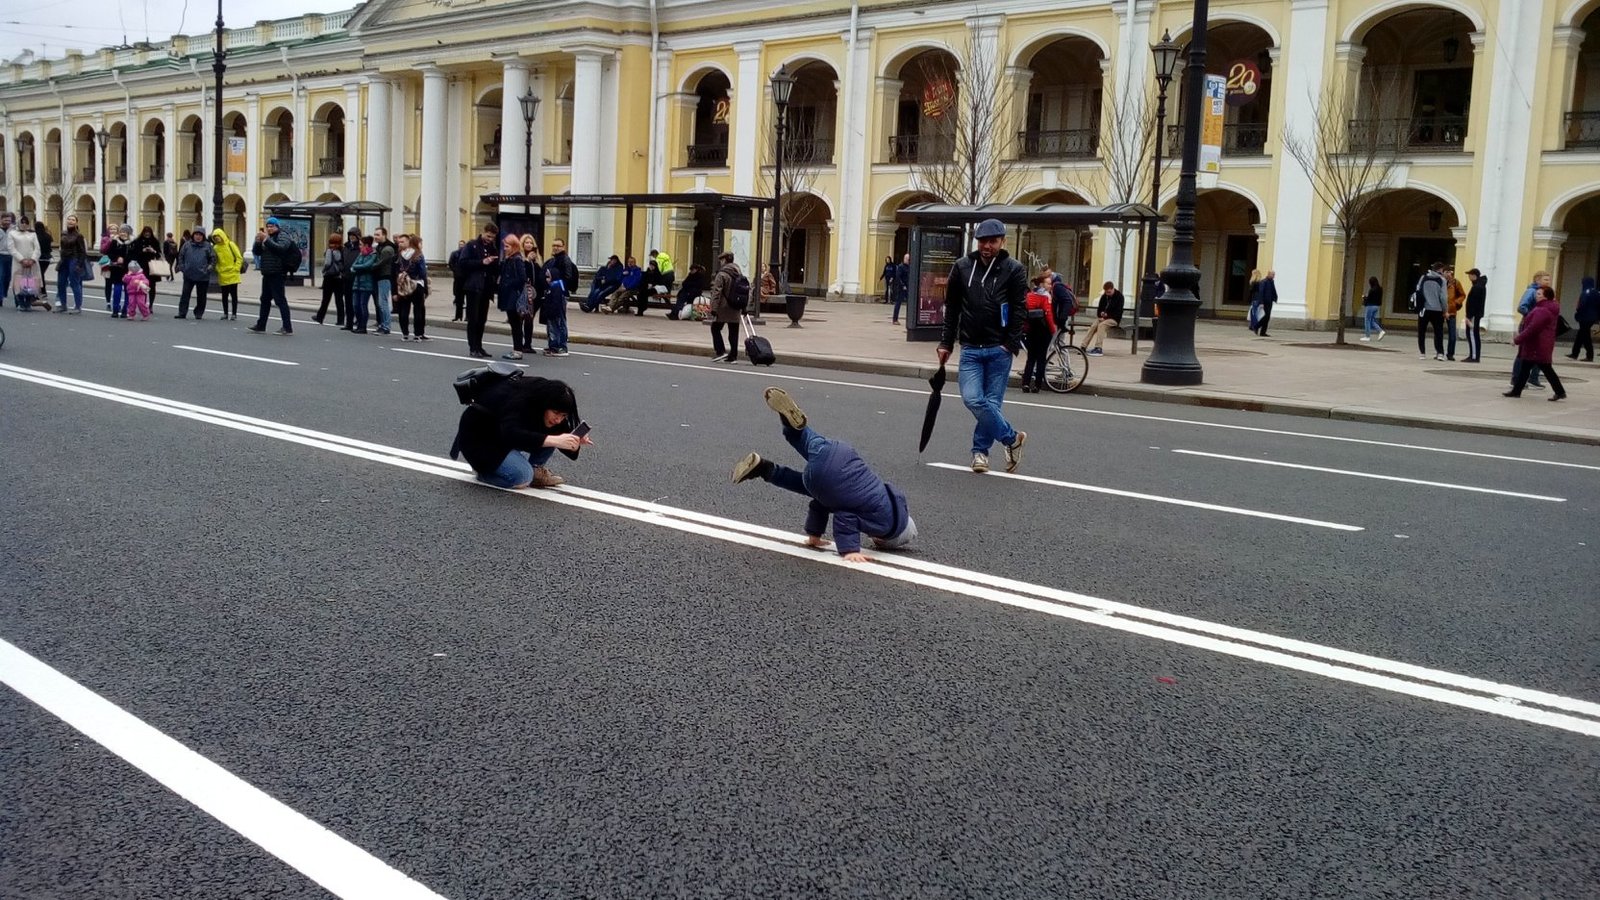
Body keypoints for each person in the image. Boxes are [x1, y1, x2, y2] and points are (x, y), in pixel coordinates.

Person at [732, 387, 916, 562]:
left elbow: (823, 506)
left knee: (806, 439)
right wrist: (849, 550)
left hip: (842, 454)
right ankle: (764, 469)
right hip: (824, 483)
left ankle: (790, 421)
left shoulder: (891, 498)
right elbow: (845, 519)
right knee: (817, 490)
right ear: (885, 539)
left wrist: (815, 535)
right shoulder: (884, 526)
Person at [937, 217, 1027, 474]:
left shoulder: (1014, 269)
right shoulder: (963, 267)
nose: (987, 246)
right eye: (983, 241)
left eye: (993, 241)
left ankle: (980, 454)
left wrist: (1009, 344)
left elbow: (1019, 309)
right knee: (974, 399)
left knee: (991, 403)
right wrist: (946, 342)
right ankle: (1011, 439)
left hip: (999, 348)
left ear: (1002, 241)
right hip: (971, 348)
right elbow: (952, 307)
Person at [450, 375, 590, 489]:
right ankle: (484, 473)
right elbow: (511, 434)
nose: (559, 419)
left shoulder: (545, 401)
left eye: (564, 416)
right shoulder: (520, 400)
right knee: (522, 478)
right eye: (556, 413)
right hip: (479, 437)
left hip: (501, 433)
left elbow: (565, 443)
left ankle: (536, 470)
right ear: (545, 405)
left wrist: (575, 441)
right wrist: (554, 440)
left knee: (553, 432)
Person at [1504, 285, 1567, 401]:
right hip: (1541, 344)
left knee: (1545, 369)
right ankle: (1517, 391)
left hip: (1537, 345)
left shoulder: (1542, 310)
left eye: (1539, 294)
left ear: (1546, 297)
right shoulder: (1548, 308)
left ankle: (1560, 391)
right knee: (1527, 368)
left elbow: (1532, 328)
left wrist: (1517, 340)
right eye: (1536, 294)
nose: (1536, 296)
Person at [247, 217, 296, 335]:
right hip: (267, 273)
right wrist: (258, 242)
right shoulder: (267, 238)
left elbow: (281, 249)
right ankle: (261, 325)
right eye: (268, 226)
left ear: (277, 227)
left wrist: (266, 240)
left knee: (280, 300)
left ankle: (287, 327)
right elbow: (257, 252)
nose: (269, 228)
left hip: (278, 273)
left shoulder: (283, 236)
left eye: (272, 226)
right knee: (264, 300)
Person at [498, 234, 540, 359]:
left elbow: (521, 278)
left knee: (516, 324)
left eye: (507, 246)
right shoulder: (509, 259)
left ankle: (518, 350)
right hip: (509, 296)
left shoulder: (516, 259)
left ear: (514, 246)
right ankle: (517, 349)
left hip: (514, 297)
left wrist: (507, 284)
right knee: (514, 324)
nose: (505, 248)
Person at [462, 225, 501, 358]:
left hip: (486, 287)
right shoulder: (471, 245)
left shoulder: (493, 248)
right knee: (473, 318)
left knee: (482, 319)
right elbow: (463, 263)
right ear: (483, 232)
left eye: (493, 237)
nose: (490, 239)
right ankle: (473, 347)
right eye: (488, 236)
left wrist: (495, 264)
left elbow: (495, 268)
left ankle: (479, 346)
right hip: (473, 286)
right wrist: (482, 262)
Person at [1511, 271, 1551, 389]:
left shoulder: (1544, 293)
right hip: (1528, 325)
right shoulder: (1531, 291)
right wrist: (1532, 317)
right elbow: (1521, 307)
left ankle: (1533, 378)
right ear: (1537, 280)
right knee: (1523, 353)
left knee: (1539, 352)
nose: (1548, 282)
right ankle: (1516, 379)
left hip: (1538, 327)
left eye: (1548, 280)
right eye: (1545, 280)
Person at [1018, 274, 1058, 393]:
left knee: (1030, 358)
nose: (1050, 286)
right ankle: (1037, 385)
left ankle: (1025, 383)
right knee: (1041, 359)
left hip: (1031, 330)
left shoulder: (1029, 296)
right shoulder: (1045, 297)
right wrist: (1053, 329)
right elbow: (1048, 315)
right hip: (1043, 331)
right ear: (1041, 284)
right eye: (1048, 283)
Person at [707, 251, 745, 363]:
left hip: (723, 307)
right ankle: (733, 355)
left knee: (715, 328)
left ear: (724, 260)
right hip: (736, 306)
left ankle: (720, 351)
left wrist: (713, 308)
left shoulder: (722, 274)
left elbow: (716, 292)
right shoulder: (739, 272)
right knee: (734, 332)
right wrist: (744, 307)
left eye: (721, 260)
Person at [543, 238, 577, 355]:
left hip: (560, 293)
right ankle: (553, 344)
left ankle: (561, 346)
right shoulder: (553, 260)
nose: (555, 247)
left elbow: (568, 277)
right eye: (554, 245)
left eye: (558, 245)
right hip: (553, 292)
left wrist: (557, 284)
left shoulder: (564, 260)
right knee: (552, 319)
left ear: (563, 247)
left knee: (559, 319)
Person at [174, 228, 216, 319]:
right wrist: (182, 267)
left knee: (201, 296)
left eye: (200, 235)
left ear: (203, 236)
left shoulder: (208, 246)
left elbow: (213, 259)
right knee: (185, 295)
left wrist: (208, 269)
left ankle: (199, 313)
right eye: (196, 234)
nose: (198, 237)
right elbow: (181, 256)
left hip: (203, 276)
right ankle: (182, 312)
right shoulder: (187, 245)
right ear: (193, 235)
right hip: (188, 274)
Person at [7, 217, 48, 310]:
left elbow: (37, 249)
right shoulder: (12, 234)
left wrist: (33, 259)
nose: (24, 224)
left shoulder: (32, 234)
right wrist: (22, 259)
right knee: (19, 282)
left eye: (26, 222)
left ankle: (28, 302)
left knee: (30, 282)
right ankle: (20, 302)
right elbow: (11, 248)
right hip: (19, 263)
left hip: (32, 263)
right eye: (22, 222)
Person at [54, 215, 88, 314]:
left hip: (74, 260)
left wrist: (79, 265)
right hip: (64, 260)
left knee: (74, 283)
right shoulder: (63, 233)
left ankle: (78, 306)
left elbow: (82, 252)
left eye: (73, 220)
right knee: (60, 283)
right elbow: (62, 248)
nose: (70, 221)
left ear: (76, 223)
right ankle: (63, 305)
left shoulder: (79, 235)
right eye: (69, 219)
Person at [208, 228, 244, 321]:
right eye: (215, 237)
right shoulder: (215, 248)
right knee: (224, 295)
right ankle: (225, 313)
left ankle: (234, 313)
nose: (217, 239)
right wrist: (218, 269)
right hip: (223, 274)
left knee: (234, 295)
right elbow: (215, 261)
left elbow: (239, 257)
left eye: (218, 237)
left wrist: (236, 268)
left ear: (222, 235)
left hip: (233, 273)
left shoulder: (230, 244)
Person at [1082, 281, 1125, 356]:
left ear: (1112, 289)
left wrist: (1107, 316)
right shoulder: (1104, 296)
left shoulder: (1119, 297)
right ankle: (1083, 346)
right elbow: (1099, 309)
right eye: (1106, 292)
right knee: (1094, 326)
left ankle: (1098, 348)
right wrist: (1100, 314)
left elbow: (1118, 312)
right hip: (1103, 318)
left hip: (1114, 319)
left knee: (1101, 325)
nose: (1107, 294)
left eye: (1109, 292)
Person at [1415, 262, 1448, 360]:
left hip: (1424, 309)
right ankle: (1440, 353)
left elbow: (1417, 290)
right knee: (1438, 332)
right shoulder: (1442, 280)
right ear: (1440, 270)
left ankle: (1422, 353)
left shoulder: (1423, 278)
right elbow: (1443, 297)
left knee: (1421, 331)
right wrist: (1445, 310)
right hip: (1437, 310)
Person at [314, 233, 348, 326]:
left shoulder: (330, 250)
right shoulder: (342, 250)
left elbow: (328, 263)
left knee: (326, 299)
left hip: (329, 277)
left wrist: (324, 271)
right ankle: (340, 320)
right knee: (339, 300)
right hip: (339, 277)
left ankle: (320, 317)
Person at [372, 227, 398, 335]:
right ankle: (383, 324)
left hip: (385, 276)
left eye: (378, 235)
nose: (375, 237)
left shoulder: (387, 249)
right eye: (375, 234)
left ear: (384, 235)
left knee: (383, 303)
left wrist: (370, 266)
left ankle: (386, 326)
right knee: (381, 302)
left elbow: (380, 263)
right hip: (380, 276)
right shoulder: (380, 247)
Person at [349, 235, 377, 334]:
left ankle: (363, 326)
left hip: (367, 283)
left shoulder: (373, 255)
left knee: (363, 305)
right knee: (355, 305)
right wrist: (359, 268)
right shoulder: (361, 254)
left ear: (366, 245)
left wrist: (358, 268)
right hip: (357, 282)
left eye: (361, 244)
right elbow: (352, 266)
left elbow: (367, 266)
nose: (359, 246)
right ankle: (359, 324)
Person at [1568, 276, 1598, 363]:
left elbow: (1581, 305)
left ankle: (1589, 355)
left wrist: (1577, 314)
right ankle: (1575, 353)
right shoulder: (1597, 292)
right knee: (1581, 334)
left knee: (1585, 336)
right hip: (1593, 317)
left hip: (1585, 317)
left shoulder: (1585, 292)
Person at [105, 226, 132, 318]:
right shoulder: (114, 242)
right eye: (121, 231)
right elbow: (109, 253)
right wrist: (117, 258)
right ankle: (115, 309)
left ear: (129, 233)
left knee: (128, 290)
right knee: (117, 288)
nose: (122, 233)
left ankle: (125, 310)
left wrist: (125, 259)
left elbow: (135, 256)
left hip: (128, 269)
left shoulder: (132, 243)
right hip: (117, 268)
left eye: (125, 232)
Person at [131, 225, 162, 302]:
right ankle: (143, 302)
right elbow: (135, 254)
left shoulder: (155, 241)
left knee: (152, 285)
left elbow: (159, 255)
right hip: (142, 266)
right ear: (143, 233)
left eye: (149, 232)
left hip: (153, 266)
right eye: (146, 232)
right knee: (143, 284)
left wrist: (153, 251)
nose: (147, 234)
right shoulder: (138, 241)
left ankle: (151, 304)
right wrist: (143, 251)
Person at [339, 228, 362, 329]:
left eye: (354, 235)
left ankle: (359, 322)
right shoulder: (346, 247)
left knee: (357, 302)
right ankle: (349, 323)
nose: (352, 237)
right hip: (346, 277)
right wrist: (342, 269)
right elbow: (341, 260)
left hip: (356, 278)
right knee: (347, 301)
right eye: (350, 235)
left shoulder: (360, 248)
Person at [1462, 268, 1485, 362]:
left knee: (1472, 334)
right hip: (1475, 314)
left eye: (1470, 275)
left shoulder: (1477, 287)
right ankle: (1473, 355)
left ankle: (1474, 356)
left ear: (1474, 275)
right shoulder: (1478, 285)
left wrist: (1469, 316)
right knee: (1474, 334)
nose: (1469, 277)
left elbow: (1474, 303)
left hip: (1473, 315)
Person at [1443, 265, 1466, 360]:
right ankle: (1439, 352)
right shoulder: (1440, 282)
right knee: (1439, 334)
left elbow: (1462, 295)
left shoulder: (1455, 283)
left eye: (1450, 272)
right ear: (1443, 273)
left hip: (1452, 312)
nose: (1449, 274)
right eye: (1446, 272)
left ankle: (1450, 354)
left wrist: (1456, 303)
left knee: (1452, 335)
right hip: (1441, 312)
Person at [1253, 269, 1279, 336]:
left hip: (1270, 302)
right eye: (1273, 274)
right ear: (1269, 274)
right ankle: (1256, 326)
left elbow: (1273, 291)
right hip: (1264, 302)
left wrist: (1275, 298)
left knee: (1267, 317)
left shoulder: (1271, 282)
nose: (1274, 276)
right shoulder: (1263, 282)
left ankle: (1263, 332)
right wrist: (1261, 302)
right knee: (1265, 317)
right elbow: (1261, 293)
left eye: (1274, 274)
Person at [448, 239, 468, 321]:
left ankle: (468, 317)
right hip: (458, 279)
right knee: (459, 299)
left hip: (466, 279)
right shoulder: (454, 253)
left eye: (462, 244)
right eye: (460, 244)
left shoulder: (467, 254)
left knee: (469, 300)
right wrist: (455, 271)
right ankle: (458, 316)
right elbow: (450, 263)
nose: (461, 246)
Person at [1360, 276, 1385, 342]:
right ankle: (1380, 331)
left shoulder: (1371, 290)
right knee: (1372, 321)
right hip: (1376, 306)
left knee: (1367, 321)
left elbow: (1369, 299)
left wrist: (1364, 297)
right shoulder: (1380, 289)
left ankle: (1367, 336)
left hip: (1370, 306)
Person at [0, 212, 15, 308]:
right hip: (0, 255)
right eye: (5, 220)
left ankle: (4, 292)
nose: (7, 222)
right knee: (0, 276)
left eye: (9, 220)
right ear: (1, 220)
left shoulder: (13, 230)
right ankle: (0, 298)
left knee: (8, 277)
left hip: (11, 256)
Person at [892, 252, 910, 324]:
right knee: (898, 303)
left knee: (910, 304)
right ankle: (895, 319)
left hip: (908, 287)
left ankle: (910, 319)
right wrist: (902, 285)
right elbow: (898, 277)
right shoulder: (901, 266)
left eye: (909, 259)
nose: (908, 260)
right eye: (907, 259)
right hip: (901, 288)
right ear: (904, 259)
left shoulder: (910, 267)